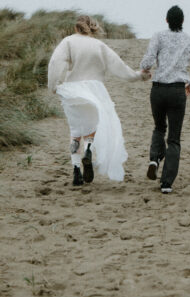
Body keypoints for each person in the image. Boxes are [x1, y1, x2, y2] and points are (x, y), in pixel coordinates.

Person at [48, 15, 150, 186]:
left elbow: (55, 62)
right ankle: (88, 150)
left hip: (74, 90)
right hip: (95, 90)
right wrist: (139, 76)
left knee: (75, 132)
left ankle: (76, 170)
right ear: (92, 28)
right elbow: (119, 67)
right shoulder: (99, 45)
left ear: (76, 28)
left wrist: (53, 85)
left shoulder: (68, 42)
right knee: (91, 128)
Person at [140, 5, 190, 194]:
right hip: (177, 91)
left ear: (166, 20)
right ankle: (166, 183)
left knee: (159, 127)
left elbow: (147, 61)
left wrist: (146, 69)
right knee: (174, 138)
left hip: (158, 89)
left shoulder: (158, 36)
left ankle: (154, 159)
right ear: (182, 21)